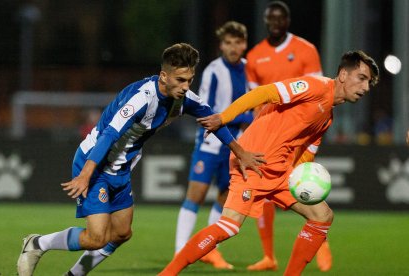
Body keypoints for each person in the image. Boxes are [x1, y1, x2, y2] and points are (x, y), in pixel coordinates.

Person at [16, 43, 265, 276]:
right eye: (180, 80)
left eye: (189, 80)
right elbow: (109, 134)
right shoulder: (141, 97)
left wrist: (240, 152)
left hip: (121, 169)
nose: (186, 86)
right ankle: (37, 243)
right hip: (95, 162)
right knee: (97, 237)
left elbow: (214, 120)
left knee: (122, 233)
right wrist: (86, 174)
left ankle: (73, 274)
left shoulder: (184, 99)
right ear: (163, 76)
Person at [159, 50, 379, 276]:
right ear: (343, 74)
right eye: (361, 78)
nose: (366, 87)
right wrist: (223, 117)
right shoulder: (315, 87)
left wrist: (302, 182)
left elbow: (306, 154)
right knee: (229, 226)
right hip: (252, 161)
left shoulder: (327, 117)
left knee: (322, 216)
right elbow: (264, 93)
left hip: (280, 171)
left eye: (369, 82)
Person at [244, 1, 329, 271]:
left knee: (305, 185)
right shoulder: (255, 55)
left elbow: (320, 93)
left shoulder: (306, 50)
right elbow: (256, 99)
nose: (275, 24)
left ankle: (321, 240)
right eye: (271, 19)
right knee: (266, 192)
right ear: (266, 21)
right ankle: (269, 256)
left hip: (301, 133)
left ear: (288, 21)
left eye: (280, 19)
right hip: (270, 134)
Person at [174, 21, 252, 270]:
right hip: (210, 144)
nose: (233, 47)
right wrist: (247, 117)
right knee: (194, 197)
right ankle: (179, 252)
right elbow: (207, 111)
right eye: (228, 42)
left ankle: (210, 250)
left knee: (224, 198)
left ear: (244, 44)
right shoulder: (213, 71)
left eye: (238, 42)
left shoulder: (250, 70)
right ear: (221, 45)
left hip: (235, 145)